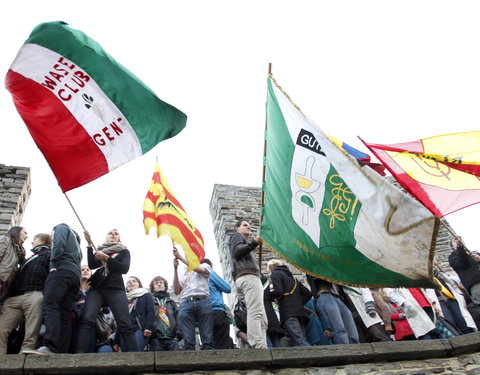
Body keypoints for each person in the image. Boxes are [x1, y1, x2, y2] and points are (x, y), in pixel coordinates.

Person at [75, 229, 138, 353]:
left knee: (124, 324)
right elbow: (92, 265)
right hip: (97, 288)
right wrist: (89, 245)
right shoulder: (100, 250)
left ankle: (136, 356)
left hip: (115, 288)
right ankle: (79, 354)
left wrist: (107, 258)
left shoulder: (124, 251)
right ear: (106, 237)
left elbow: (124, 268)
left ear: (119, 238)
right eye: (110, 233)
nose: (113, 235)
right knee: (87, 320)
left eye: (116, 234)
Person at [29, 223, 82, 354]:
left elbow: (58, 244)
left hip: (61, 271)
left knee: (50, 304)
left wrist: (53, 265)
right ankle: (61, 350)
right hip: (75, 277)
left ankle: (50, 345)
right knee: (64, 313)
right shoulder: (77, 248)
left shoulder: (61, 228)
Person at [0, 233, 51, 354]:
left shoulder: (49, 254)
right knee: (1, 328)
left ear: (42, 240)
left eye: (34, 239)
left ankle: (27, 351)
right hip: (14, 298)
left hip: (35, 294)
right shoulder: (27, 259)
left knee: (31, 329)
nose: (31, 242)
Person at [229, 219, 268, 348]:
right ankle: (258, 345)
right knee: (255, 311)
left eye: (250, 226)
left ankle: (262, 344)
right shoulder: (237, 236)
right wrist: (255, 242)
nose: (248, 227)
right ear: (237, 228)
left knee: (262, 318)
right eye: (245, 225)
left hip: (248, 277)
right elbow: (237, 251)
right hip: (248, 277)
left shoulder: (242, 240)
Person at [173, 246, 214, 350]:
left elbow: (200, 270)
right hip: (186, 302)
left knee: (207, 338)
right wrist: (175, 269)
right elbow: (177, 290)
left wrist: (180, 257)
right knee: (188, 340)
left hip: (203, 300)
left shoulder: (204, 264)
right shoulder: (184, 271)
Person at [268, 259, 312, 347]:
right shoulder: (293, 278)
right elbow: (308, 293)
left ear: (271, 268)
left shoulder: (275, 274)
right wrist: (298, 303)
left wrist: (268, 296)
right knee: (299, 340)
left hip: (288, 313)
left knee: (300, 342)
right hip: (300, 313)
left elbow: (279, 291)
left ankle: (316, 359)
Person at [307, 275, 359, 345]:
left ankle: (356, 352)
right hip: (325, 294)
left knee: (352, 332)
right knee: (339, 331)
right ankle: (346, 354)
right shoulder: (316, 266)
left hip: (338, 297)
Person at [433, 264, 477, 334]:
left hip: (452, 299)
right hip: (439, 303)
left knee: (462, 321)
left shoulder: (441, 275)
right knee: (450, 323)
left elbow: (453, 286)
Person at [204, 259, 233, 349]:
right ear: (211, 265)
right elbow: (227, 288)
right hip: (217, 311)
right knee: (222, 343)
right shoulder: (210, 272)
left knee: (209, 343)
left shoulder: (196, 275)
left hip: (203, 314)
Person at [123, 276, 155, 351]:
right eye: (128, 282)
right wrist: (116, 340)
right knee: (124, 355)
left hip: (140, 328)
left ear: (139, 284)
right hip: (126, 330)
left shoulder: (146, 295)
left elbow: (151, 312)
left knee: (135, 350)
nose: (131, 282)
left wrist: (148, 327)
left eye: (134, 281)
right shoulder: (124, 299)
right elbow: (121, 318)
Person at [149, 275, 179, 351]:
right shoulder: (150, 302)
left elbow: (178, 319)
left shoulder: (171, 302)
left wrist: (177, 336)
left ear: (165, 286)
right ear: (153, 288)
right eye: (156, 283)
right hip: (156, 339)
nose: (159, 284)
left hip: (172, 339)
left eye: (161, 283)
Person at [449, 235, 480, 304]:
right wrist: (459, 247)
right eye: (455, 240)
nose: (458, 240)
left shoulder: (473, 253)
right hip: (475, 284)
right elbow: (464, 264)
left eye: (460, 239)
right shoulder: (452, 257)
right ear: (452, 246)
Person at [0, 226, 27, 302]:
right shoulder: (5, 240)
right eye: (25, 233)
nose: (27, 236)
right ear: (17, 231)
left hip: (4, 284)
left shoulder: (17, 251)